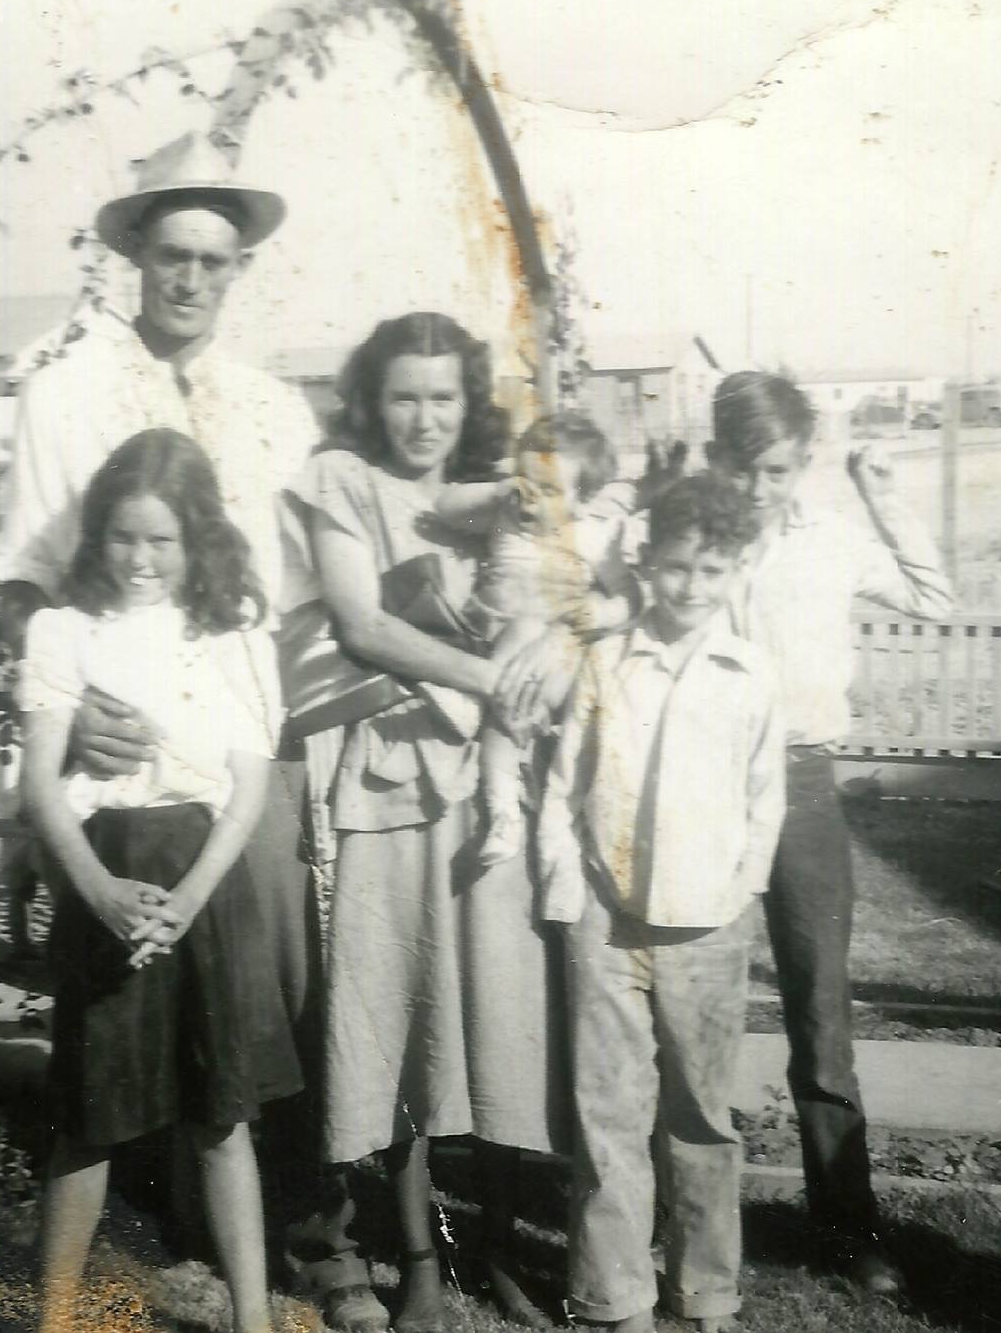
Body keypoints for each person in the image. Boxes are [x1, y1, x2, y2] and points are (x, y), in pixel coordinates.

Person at [0, 134, 382, 1328]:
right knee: (114, 1032)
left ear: (239, 268)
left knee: (256, 1007)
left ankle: (305, 1249)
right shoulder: (63, 394)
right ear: (133, 255)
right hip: (107, 770)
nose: (191, 278)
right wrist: (65, 722)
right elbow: (24, 584)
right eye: (171, 253)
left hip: (235, 746)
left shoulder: (269, 407)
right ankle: (118, 1254)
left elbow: (303, 591)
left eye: (215, 259)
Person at [291, 311, 566, 1333]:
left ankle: (494, 1247)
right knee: (398, 1020)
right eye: (403, 395)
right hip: (391, 780)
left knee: (499, 1018)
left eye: (442, 396)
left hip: (493, 789)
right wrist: (492, 679)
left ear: (467, 402)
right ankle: (417, 1258)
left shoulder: (500, 497)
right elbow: (361, 623)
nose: (422, 417)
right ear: (373, 399)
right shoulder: (339, 481)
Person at [16, 429, 295, 1333]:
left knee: (221, 1118)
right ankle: (56, 1319)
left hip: (203, 883)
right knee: (89, 1116)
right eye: (122, 537)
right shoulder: (64, 631)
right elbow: (40, 785)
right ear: (97, 533)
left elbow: (247, 786)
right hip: (104, 871)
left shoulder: (233, 638)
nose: (139, 559)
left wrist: (191, 899)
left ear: (196, 539)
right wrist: (98, 889)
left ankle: (252, 1319)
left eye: (161, 541)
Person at [709, 371, 952, 1297]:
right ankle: (687, 1221)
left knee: (820, 1013)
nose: (759, 488)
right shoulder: (689, 534)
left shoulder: (833, 540)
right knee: (693, 1006)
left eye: (777, 469)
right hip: (704, 787)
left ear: (804, 462)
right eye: (744, 467)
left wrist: (882, 494)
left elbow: (933, 596)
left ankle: (847, 1229)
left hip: (804, 786)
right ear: (719, 458)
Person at [537, 474, 782, 1333]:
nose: (691, 586)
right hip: (607, 922)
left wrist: (741, 888)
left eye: (712, 570)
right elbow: (564, 786)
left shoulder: (749, 673)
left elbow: (766, 798)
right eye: (677, 567)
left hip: (707, 923)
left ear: (736, 570)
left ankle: (706, 1288)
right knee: (609, 1113)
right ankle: (617, 1297)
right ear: (647, 563)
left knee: (701, 1116)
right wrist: (569, 891)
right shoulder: (607, 662)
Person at [432, 411, 641, 865]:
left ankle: (478, 724)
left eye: (548, 491)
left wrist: (601, 612)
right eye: (525, 482)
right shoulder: (504, 516)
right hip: (488, 641)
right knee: (504, 720)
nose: (530, 500)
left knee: (521, 672)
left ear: (583, 501)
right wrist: (498, 490)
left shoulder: (593, 537)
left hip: (548, 657)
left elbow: (631, 597)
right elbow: (443, 507)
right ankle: (502, 813)